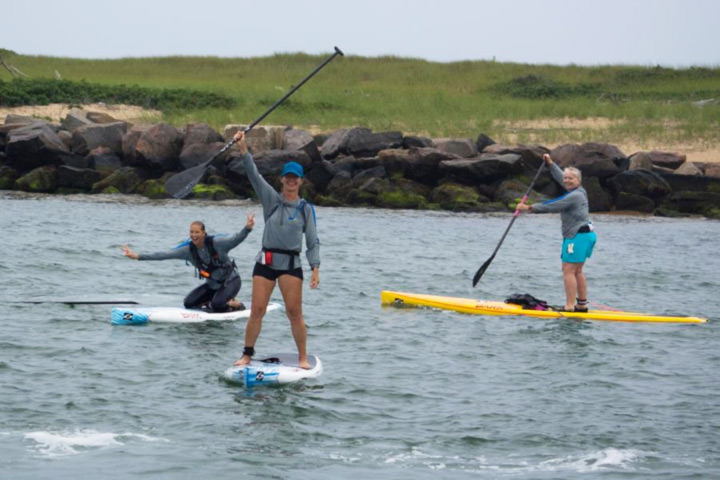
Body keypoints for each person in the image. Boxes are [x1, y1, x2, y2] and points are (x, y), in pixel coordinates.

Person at [232, 131, 320, 369]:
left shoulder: (305, 209)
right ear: (282, 180)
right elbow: (254, 176)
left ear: (300, 181)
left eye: (295, 178)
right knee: (257, 311)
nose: (291, 181)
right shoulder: (271, 200)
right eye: (288, 178)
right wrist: (243, 149)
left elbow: (312, 240)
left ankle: (302, 358)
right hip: (266, 263)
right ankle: (247, 355)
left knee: (294, 313)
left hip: (291, 266)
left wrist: (315, 268)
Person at [121, 213, 255, 312]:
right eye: (191, 232)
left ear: (204, 233)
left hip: (231, 282)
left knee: (218, 304)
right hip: (212, 285)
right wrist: (137, 256)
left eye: (197, 232)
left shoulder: (218, 244)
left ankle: (235, 305)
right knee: (188, 303)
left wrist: (247, 228)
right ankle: (213, 302)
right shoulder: (188, 251)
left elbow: (236, 239)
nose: (194, 235)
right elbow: (164, 255)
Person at [517, 153, 598, 312]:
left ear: (579, 181)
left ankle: (569, 306)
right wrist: (551, 164)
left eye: (571, 179)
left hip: (576, 237)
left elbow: (553, 205)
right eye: (566, 178)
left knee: (568, 270)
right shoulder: (578, 190)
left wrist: (529, 208)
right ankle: (581, 305)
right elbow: (562, 176)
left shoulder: (574, 196)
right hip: (585, 235)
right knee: (577, 271)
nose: (567, 180)